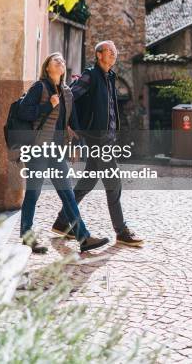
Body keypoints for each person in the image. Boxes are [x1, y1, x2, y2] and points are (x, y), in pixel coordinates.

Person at [52, 41, 144, 247]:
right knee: (114, 184)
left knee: (88, 182)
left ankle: (61, 221)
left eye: (115, 51)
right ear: (99, 55)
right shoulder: (91, 75)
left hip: (107, 138)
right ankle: (121, 231)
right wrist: (70, 125)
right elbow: (69, 96)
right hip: (97, 138)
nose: (114, 54)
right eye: (110, 51)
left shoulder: (109, 76)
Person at [18, 52, 109, 254]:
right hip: (38, 150)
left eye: (62, 60)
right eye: (55, 60)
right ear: (47, 67)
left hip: (57, 151)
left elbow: (72, 121)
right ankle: (27, 235)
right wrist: (46, 106)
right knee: (33, 193)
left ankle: (83, 238)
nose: (60, 62)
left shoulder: (67, 92)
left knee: (67, 195)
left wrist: (76, 144)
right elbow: (24, 112)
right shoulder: (39, 87)